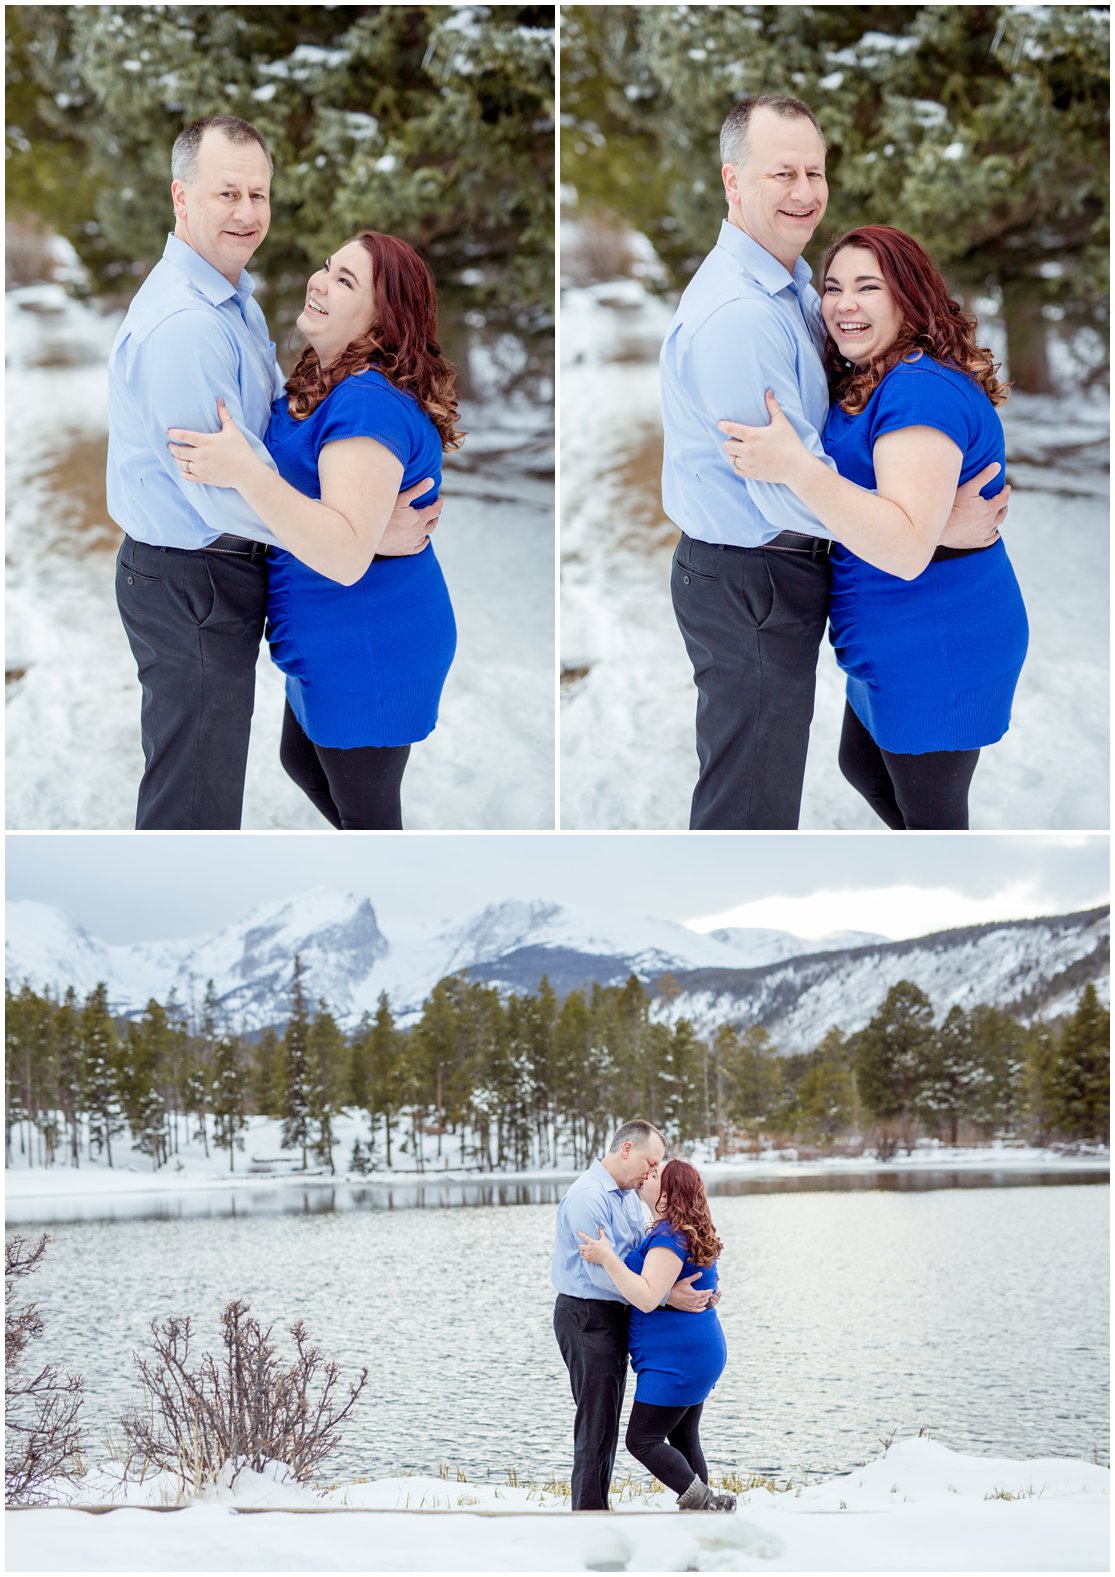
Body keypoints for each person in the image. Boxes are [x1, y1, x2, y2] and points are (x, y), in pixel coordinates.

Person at [660, 94, 1008, 830]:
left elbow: (890, 444)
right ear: (733, 182)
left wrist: (920, 515)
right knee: (749, 806)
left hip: (850, 594)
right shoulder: (745, 315)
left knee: (860, 790)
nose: (804, 191)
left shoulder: (792, 287)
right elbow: (782, 492)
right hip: (751, 573)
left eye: (813, 171)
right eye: (781, 172)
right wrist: (932, 522)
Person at [108, 115, 436, 830]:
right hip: (191, 575)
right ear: (181, 198)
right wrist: (357, 534)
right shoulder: (189, 326)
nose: (247, 213)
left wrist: (348, 521)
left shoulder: (232, 300)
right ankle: (182, 928)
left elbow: (272, 442)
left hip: (228, 578)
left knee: (222, 780)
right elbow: (219, 492)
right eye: (227, 193)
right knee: (195, 799)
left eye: (258, 195)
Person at [718, 225, 1029, 830]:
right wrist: (939, 525)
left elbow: (906, 548)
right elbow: (908, 520)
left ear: (909, 297)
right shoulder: (877, 375)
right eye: (833, 287)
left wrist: (796, 469)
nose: (843, 304)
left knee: (934, 824)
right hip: (895, 634)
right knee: (862, 767)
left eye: (868, 287)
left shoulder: (917, 393)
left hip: (937, 640)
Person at [166, 230, 461, 830]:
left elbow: (346, 554)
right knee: (300, 762)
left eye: (346, 281)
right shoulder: (322, 381)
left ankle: (402, 906)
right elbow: (345, 525)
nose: (319, 281)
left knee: (371, 824)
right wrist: (371, 533)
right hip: (332, 637)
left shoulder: (366, 406)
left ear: (384, 320)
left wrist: (245, 472)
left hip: (369, 646)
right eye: (328, 266)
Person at [551, 1120, 715, 1511]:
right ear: (626, 1149)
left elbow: (645, 1258)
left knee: (610, 1420)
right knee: (597, 1422)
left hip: (618, 1313)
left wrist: (674, 1288)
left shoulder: (627, 1194)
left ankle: (605, 1507)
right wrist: (663, 1297)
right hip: (588, 1315)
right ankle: (589, 1514)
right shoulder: (588, 1199)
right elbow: (599, 1273)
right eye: (650, 1160)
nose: (653, 1170)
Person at [578, 1158, 735, 1512]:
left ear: (668, 1195)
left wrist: (607, 1257)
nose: (647, 1176)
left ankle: (703, 1502)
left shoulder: (669, 1237)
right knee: (682, 1435)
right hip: (695, 1351)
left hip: (678, 1359)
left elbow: (647, 1297)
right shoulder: (678, 1229)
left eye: (655, 1175)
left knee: (642, 1440)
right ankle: (704, 1509)